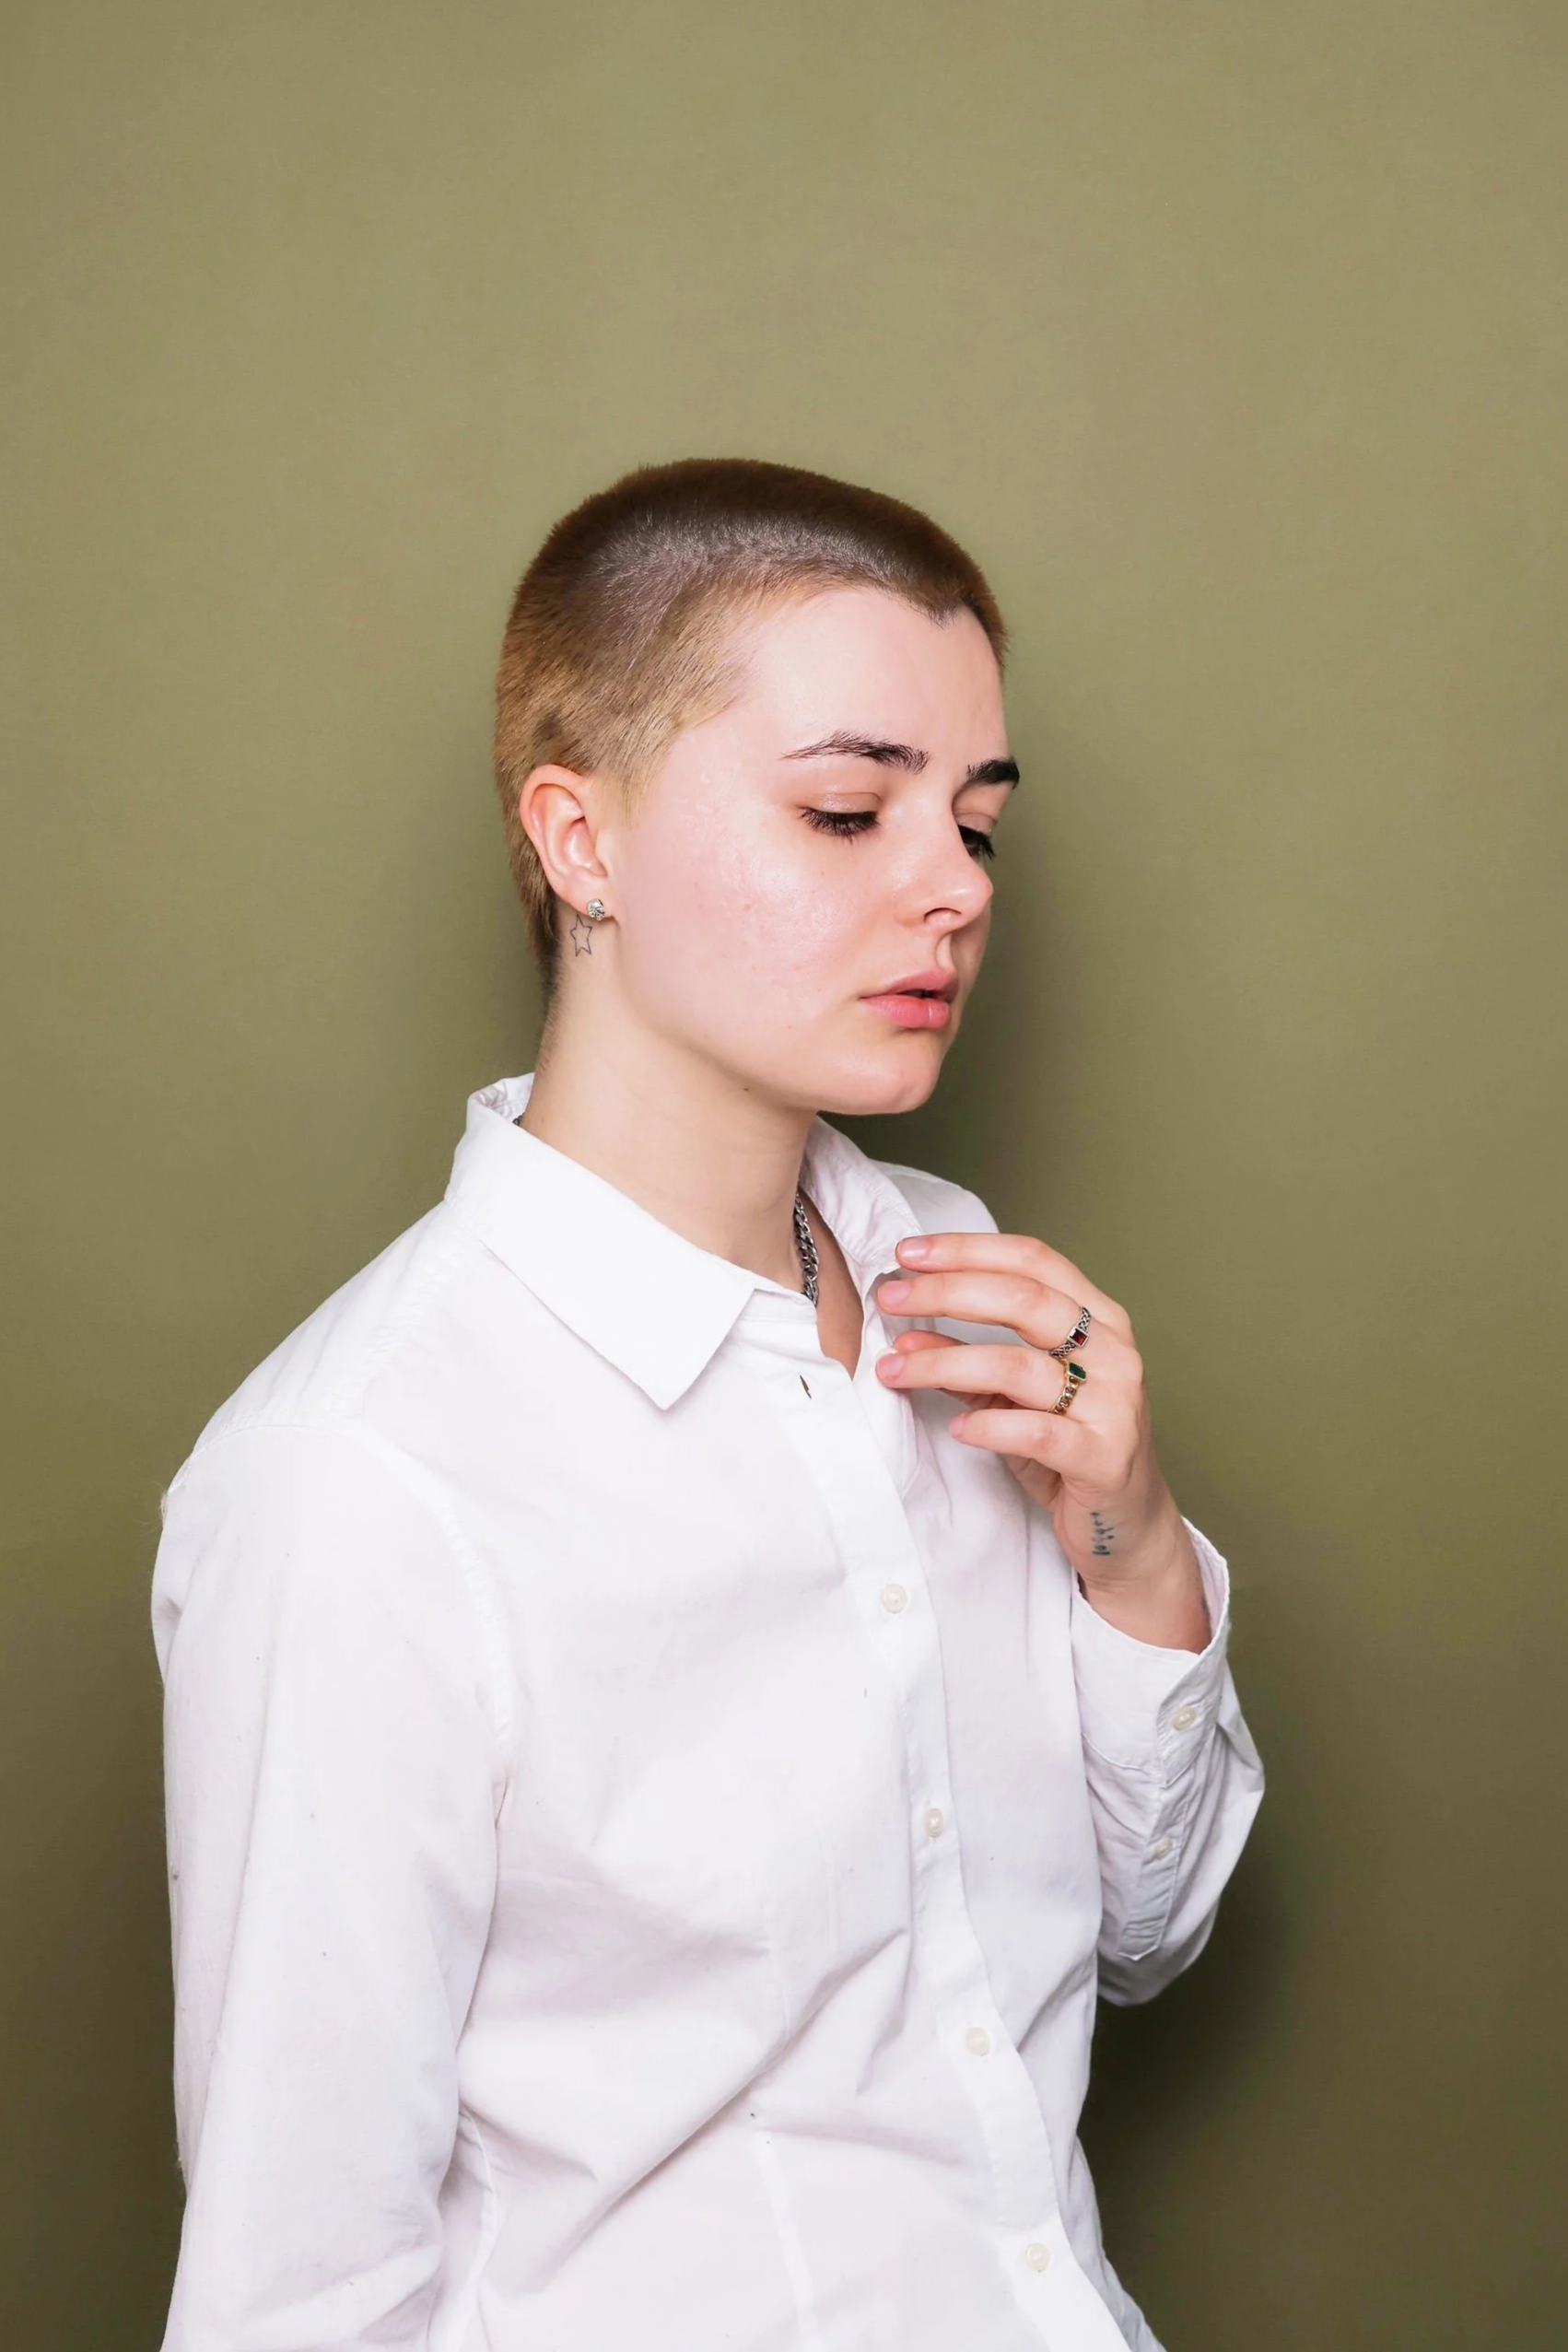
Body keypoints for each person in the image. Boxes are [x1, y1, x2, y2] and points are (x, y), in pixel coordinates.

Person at [152, 458, 1263, 2352]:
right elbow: (295, 2293)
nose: (947, 889)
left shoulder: (955, 1277)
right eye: (846, 806)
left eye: (974, 823)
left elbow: (1140, 1939)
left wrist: (1129, 1537)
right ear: (578, 843)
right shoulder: (364, 1485)